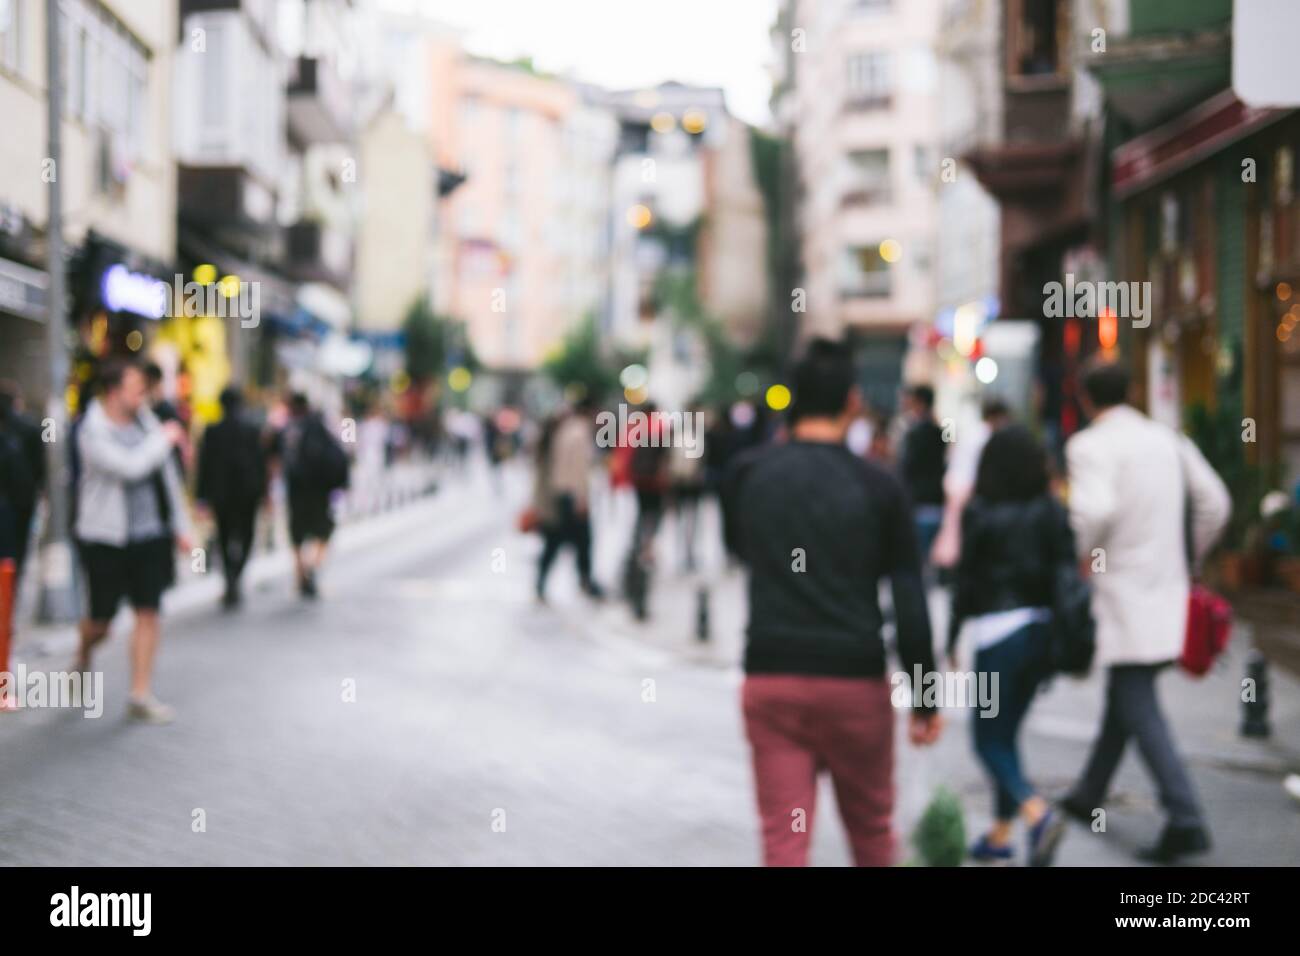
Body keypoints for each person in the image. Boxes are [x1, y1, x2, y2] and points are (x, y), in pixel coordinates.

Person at [722, 338, 943, 867]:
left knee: (784, 845)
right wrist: (925, 697)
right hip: (854, 683)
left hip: (772, 677)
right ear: (852, 400)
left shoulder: (748, 475)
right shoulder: (880, 485)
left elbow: (739, 549)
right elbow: (910, 599)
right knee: (872, 840)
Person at [1059, 358, 1231, 863]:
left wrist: (1081, 557)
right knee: (1127, 693)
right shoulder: (1167, 439)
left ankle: (1186, 818)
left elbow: (1093, 512)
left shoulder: (1089, 445)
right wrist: (1189, 556)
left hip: (1121, 591)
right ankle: (1088, 793)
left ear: (1086, 398)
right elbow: (1215, 503)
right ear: (1132, 391)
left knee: (1135, 697)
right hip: (1166, 587)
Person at [948, 425, 1075, 866]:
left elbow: (965, 583)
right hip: (1040, 636)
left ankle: (1036, 814)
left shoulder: (980, 512)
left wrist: (949, 639)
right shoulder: (1050, 510)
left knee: (986, 740)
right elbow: (1066, 572)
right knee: (1006, 734)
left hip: (997, 637)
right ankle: (1000, 835)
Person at [74, 359, 191, 724]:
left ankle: (140, 694)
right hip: (106, 537)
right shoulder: (91, 430)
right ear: (114, 392)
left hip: (149, 535)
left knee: (148, 612)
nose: (143, 395)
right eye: (136, 388)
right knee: (101, 622)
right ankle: (83, 653)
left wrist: (181, 526)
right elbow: (130, 467)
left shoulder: (146, 421)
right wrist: (164, 439)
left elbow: (167, 478)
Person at [196, 387, 268, 609]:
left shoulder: (212, 430)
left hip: (221, 494)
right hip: (248, 493)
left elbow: (204, 465)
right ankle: (235, 575)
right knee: (246, 535)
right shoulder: (252, 429)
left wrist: (201, 496)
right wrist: (264, 493)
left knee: (224, 535)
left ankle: (230, 576)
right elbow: (260, 463)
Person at [273, 393, 348, 599]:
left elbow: (274, 458)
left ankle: (300, 573)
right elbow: (340, 454)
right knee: (323, 530)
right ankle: (313, 565)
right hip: (320, 491)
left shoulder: (287, 429)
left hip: (296, 491)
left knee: (296, 533)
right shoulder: (321, 426)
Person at [931, 396, 1011, 569]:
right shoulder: (986, 435)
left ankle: (949, 566)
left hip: (953, 483)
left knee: (952, 528)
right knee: (960, 533)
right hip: (967, 487)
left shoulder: (973, 432)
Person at [535, 401, 603, 602]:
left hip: (560, 494)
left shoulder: (565, 431)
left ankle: (545, 582)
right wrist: (581, 498)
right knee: (580, 541)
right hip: (572, 496)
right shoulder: (580, 433)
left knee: (555, 541)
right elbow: (579, 470)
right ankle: (585, 581)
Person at [898, 384, 947, 569]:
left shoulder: (913, 432)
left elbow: (907, 467)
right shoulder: (940, 431)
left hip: (917, 500)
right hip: (936, 499)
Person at [0, 382, 45, 583]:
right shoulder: (31, 426)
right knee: (15, 556)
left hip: (14, 499)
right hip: (21, 500)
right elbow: (39, 465)